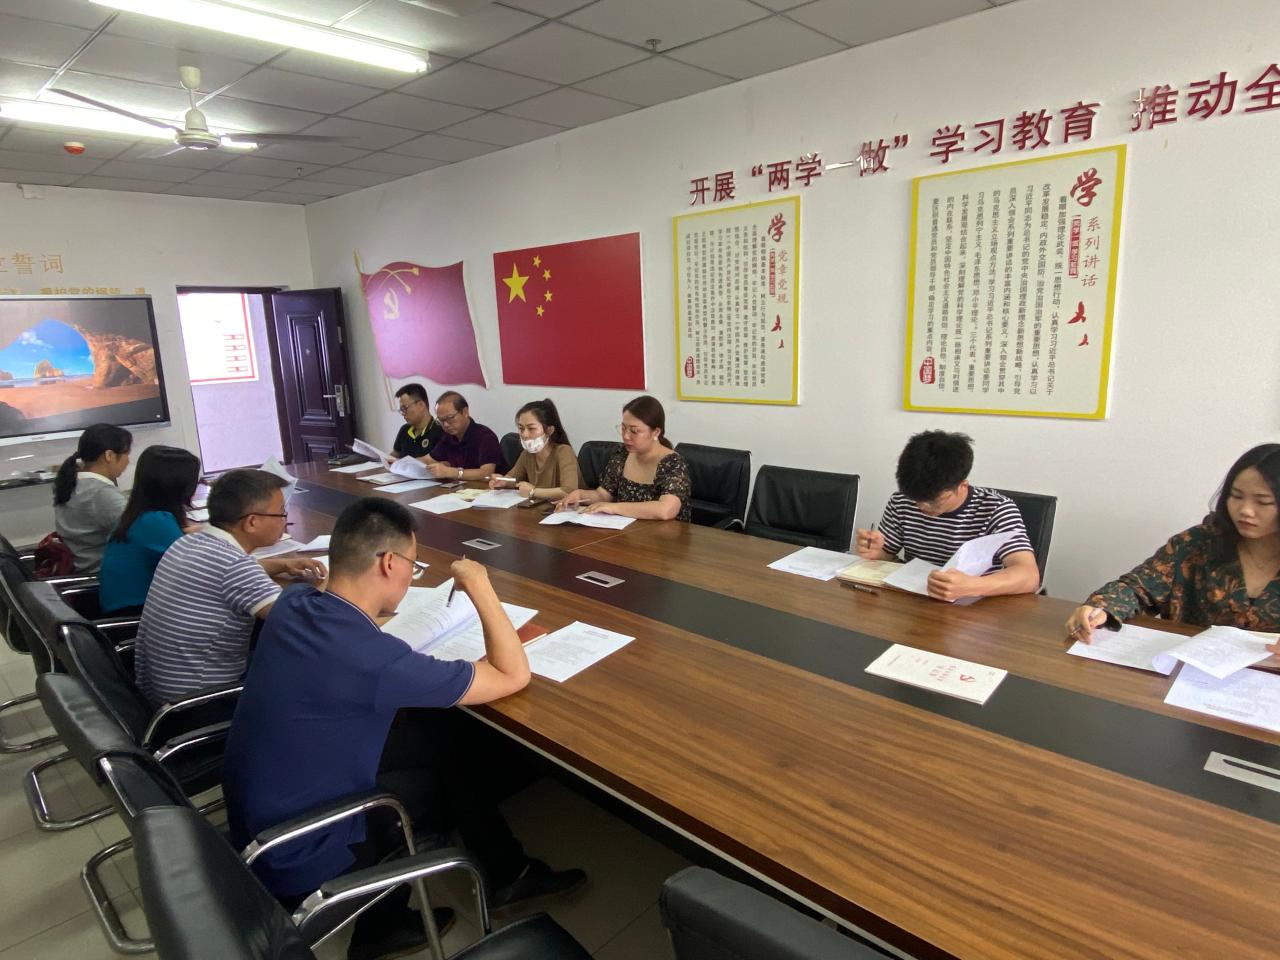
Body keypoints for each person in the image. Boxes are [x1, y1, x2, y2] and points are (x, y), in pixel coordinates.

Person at [223, 498, 586, 960]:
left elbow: (349, 645)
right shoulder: (373, 661)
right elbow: (513, 675)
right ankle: (385, 924)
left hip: (256, 817)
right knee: (449, 767)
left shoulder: (295, 602)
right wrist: (480, 584)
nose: (410, 575)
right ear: (389, 563)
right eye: (412, 565)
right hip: (300, 849)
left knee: (440, 739)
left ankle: (505, 875)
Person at [133, 469, 324, 706]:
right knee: (317, 668)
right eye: (281, 513)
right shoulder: (234, 567)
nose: (284, 520)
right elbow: (304, 622)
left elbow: (225, 576)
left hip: (159, 691)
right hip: (201, 703)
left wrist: (283, 564)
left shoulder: (188, 542)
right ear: (252, 522)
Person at [1067, 444, 1280, 643]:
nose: (1245, 510)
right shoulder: (1198, 543)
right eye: (1236, 496)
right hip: (1186, 666)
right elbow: (1137, 587)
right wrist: (1100, 608)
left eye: (1263, 502)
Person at [854, 430, 1038, 601]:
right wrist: (877, 552)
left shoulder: (996, 508)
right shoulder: (902, 500)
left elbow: (1029, 575)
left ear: (962, 486)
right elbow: (887, 556)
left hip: (972, 606)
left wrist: (973, 586)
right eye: (916, 499)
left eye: (935, 501)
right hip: (914, 601)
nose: (922, 507)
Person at [98, 445, 202, 614]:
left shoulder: (139, 516)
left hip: (126, 607)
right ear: (178, 486)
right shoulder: (156, 521)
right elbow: (197, 571)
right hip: (136, 615)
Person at [559, 395, 690, 521]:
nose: (626, 436)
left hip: (664, 534)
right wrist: (580, 495)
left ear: (656, 432)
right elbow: (603, 494)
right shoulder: (622, 453)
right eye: (623, 428)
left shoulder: (672, 462)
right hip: (625, 531)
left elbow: (666, 510)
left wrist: (614, 508)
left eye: (634, 431)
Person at [52, 423, 132, 574]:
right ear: (109, 455)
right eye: (127, 454)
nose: (128, 461)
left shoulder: (73, 482)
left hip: (82, 566)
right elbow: (139, 531)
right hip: (104, 574)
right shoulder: (101, 493)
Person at [489, 398, 580, 501]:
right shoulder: (527, 453)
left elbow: (569, 491)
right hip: (541, 507)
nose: (524, 434)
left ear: (549, 430)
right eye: (521, 428)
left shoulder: (564, 451)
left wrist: (533, 492)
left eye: (531, 428)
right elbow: (513, 478)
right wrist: (503, 481)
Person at [421, 390, 504, 481]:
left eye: (450, 418)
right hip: (462, 487)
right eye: (441, 420)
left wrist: (451, 472)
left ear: (465, 412)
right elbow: (428, 459)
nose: (446, 425)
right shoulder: (448, 437)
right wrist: (409, 464)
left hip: (487, 488)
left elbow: (486, 474)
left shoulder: (485, 436)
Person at [388, 382, 443, 462]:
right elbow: (395, 455)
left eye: (405, 408)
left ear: (421, 405)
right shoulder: (404, 430)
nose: (403, 413)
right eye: (401, 410)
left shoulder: (440, 431)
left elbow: (442, 463)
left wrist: (404, 463)